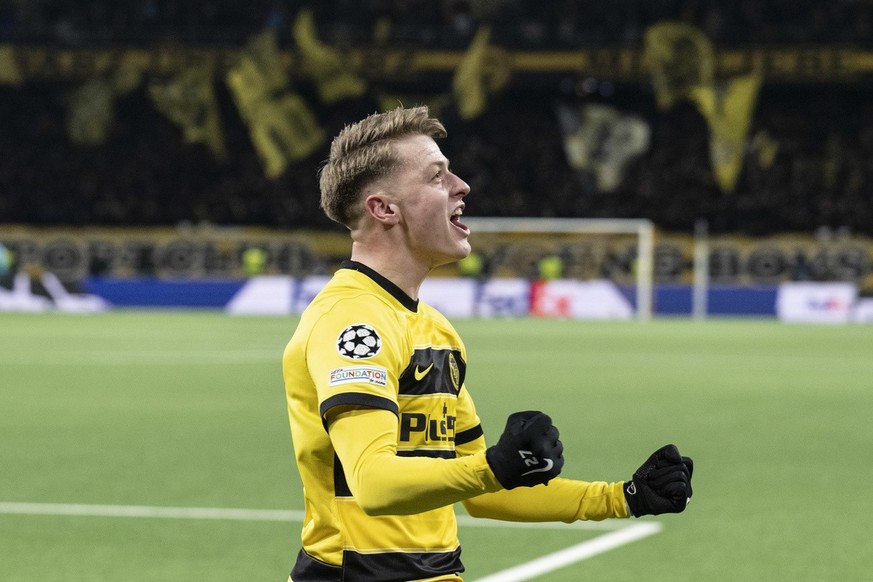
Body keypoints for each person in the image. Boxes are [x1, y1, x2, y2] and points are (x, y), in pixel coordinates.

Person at [281, 105, 694, 581]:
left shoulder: (434, 329)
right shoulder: (352, 322)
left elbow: (481, 492)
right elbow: (374, 483)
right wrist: (497, 465)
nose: (462, 185)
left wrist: (625, 497)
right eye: (437, 176)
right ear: (384, 209)